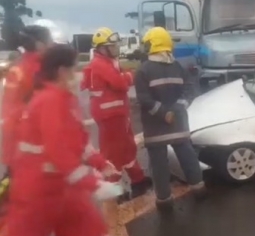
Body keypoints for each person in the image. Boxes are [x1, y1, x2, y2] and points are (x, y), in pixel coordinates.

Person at [7, 44, 123, 236]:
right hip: (38, 191)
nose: (77, 74)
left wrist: (100, 163)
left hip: (61, 186)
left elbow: (80, 141)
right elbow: (58, 149)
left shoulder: (64, 99)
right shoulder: (50, 101)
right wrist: (93, 183)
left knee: (90, 228)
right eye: (74, 68)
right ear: (62, 71)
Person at [135, 27, 205, 212]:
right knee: (188, 157)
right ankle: (199, 188)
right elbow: (190, 90)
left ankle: (164, 201)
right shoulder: (179, 67)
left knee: (159, 166)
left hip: (155, 128)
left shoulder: (144, 70)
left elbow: (144, 99)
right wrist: (177, 109)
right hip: (179, 124)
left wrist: (162, 113)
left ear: (153, 44)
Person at [81, 27, 150, 199]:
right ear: (103, 48)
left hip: (116, 114)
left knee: (127, 148)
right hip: (110, 116)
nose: (116, 48)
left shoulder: (106, 62)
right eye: (112, 46)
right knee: (113, 154)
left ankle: (138, 180)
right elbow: (120, 83)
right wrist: (129, 76)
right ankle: (113, 190)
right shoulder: (100, 64)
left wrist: (126, 72)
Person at [1, 25, 53, 170]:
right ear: (39, 44)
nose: (51, 45)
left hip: (14, 138)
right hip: (28, 142)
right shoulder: (39, 70)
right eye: (49, 41)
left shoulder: (18, 67)